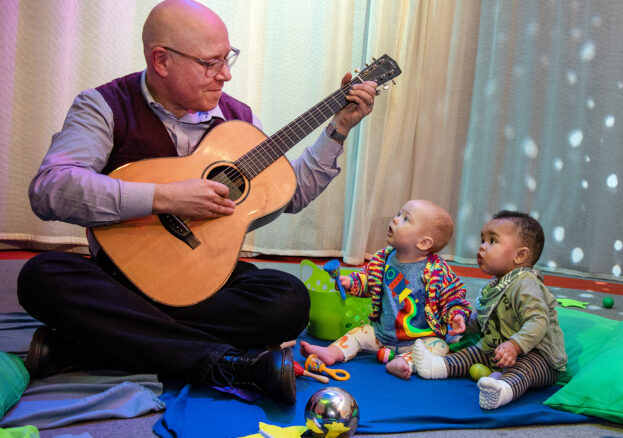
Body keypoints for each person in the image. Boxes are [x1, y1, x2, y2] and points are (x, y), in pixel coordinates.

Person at [17, 0, 378, 404]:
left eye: (228, 59)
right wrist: (164, 197)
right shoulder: (102, 106)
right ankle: (227, 364)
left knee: (289, 298)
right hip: (120, 280)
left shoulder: (237, 121)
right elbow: (50, 188)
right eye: (210, 63)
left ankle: (82, 345)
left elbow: (287, 194)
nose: (225, 75)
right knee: (42, 275)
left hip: (202, 281)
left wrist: (338, 130)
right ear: (161, 60)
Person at [300, 199, 472, 380]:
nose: (395, 220)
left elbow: (453, 297)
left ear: (423, 243)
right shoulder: (382, 258)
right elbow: (367, 279)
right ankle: (332, 352)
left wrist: (456, 315)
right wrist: (351, 283)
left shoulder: (438, 270)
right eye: (399, 214)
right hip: (380, 335)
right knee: (358, 333)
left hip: (420, 341)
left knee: (440, 347)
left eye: (406, 219)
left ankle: (405, 362)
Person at [413, 210, 567, 409]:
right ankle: (437, 366)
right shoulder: (497, 284)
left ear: (520, 255)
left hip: (540, 358)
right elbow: (486, 318)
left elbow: (539, 321)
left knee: (525, 368)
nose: (482, 248)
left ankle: (501, 390)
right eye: (482, 240)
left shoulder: (526, 283)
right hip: (500, 350)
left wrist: (515, 345)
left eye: (492, 241)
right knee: (473, 353)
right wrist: (463, 323)